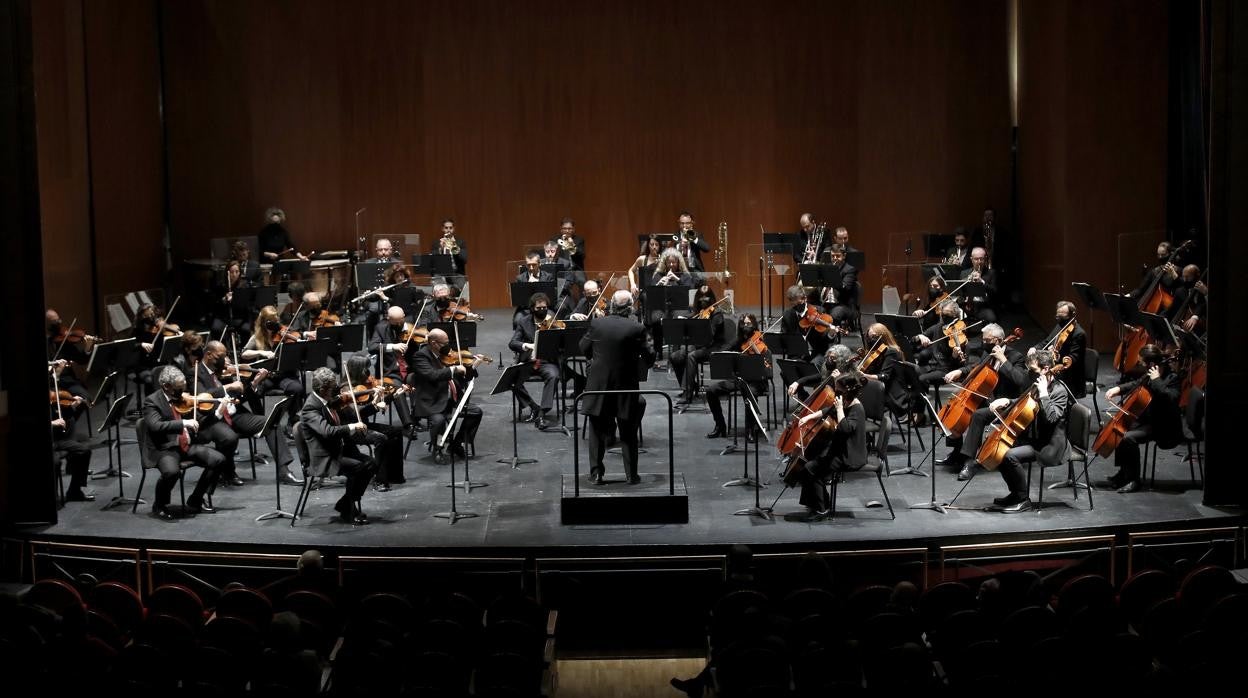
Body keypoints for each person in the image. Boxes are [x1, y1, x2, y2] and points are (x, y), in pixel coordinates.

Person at [933, 324, 1029, 481]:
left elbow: (1021, 381)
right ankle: (957, 453)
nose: (984, 343)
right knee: (959, 412)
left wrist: (1003, 360)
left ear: (998, 340)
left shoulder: (1015, 357)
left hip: (1006, 404)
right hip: (987, 398)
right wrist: (959, 371)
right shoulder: (988, 352)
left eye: (987, 340)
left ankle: (970, 462)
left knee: (977, 415)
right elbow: (976, 368)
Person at [580, 290, 655, 485]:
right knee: (628, 431)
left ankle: (596, 474)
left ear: (612, 305)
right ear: (630, 307)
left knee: (596, 431)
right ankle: (631, 475)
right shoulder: (637, 328)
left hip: (599, 386)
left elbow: (583, 348)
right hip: (625, 387)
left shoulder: (597, 323)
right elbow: (650, 357)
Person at [988, 349, 1072, 513]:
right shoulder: (1038, 383)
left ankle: (1023, 500)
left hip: (1050, 445)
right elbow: (1024, 402)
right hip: (1035, 437)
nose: (1030, 374)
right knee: (999, 452)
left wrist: (1044, 394)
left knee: (1010, 456)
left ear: (1046, 368)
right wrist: (1007, 401)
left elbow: (1052, 418)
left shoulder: (1059, 391)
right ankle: (1016, 493)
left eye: (1033, 370)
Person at [142, 365, 225, 521]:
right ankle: (159, 505)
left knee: (218, 459)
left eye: (183, 387)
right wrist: (183, 424)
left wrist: (217, 413)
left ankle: (195, 499)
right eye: (178, 389)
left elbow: (197, 419)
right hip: (164, 448)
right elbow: (155, 426)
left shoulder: (181, 399)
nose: (182, 392)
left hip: (184, 445)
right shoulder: (151, 401)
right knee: (172, 472)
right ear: (166, 386)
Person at [299, 367, 376, 524]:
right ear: (322, 390)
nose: (335, 390)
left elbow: (346, 397)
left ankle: (345, 504)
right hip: (325, 457)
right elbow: (327, 432)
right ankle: (347, 508)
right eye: (332, 388)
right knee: (359, 468)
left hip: (338, 450)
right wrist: (352, 426)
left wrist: (373, 392)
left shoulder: (326, 399)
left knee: (371, 463)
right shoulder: (310, 408)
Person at [787, 371, 868, 518]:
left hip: (850, 455)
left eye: (838, 390)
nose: (836, 392)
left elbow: (845, 429)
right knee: (808, 465)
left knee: (811, 469)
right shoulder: (845, 401)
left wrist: (839, 410)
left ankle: (821, 510)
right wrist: (809, 417)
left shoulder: (857, 408)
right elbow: (827, 411)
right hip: (839, 449)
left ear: (847, 390)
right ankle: (819, 503)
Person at [1103, 344, 1182, 493]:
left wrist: (1157, 380)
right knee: (1120, 429)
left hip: (1164, 426)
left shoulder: (1173, 378)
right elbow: (1136, 383)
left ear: (1151, 364)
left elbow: (1171, 399)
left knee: (1128, 438)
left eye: (1141, 362)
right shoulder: (1149, 373)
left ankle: (1134, 480)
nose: (1139, 364)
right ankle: (1123, 473)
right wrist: (1118, 389)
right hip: (1149, 420)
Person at [409, 328, 484, 464]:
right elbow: (432, 375)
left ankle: (456, 444)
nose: (448, 347)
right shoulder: (421, 356)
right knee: (438, 420)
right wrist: (453, 369)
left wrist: (472, 367)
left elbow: (463, 378)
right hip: (432, 400)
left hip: (451, 398)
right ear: (433, 343)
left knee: (475, 412)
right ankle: (438, 449)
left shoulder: (447, 356)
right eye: (444, 344)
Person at [342, 354, 405, 492]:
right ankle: (380, 480)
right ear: (357, 370)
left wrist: (389, 397)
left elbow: (367, 413)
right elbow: (355, 413)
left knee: (395, 432)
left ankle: (394, 475)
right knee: (380, 438)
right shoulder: (345, 389)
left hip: (364, 425)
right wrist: (375, 405)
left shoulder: (364, 385)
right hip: (352, 430)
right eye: (365, 369)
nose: (368, 373)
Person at [242, 305, 306, 437]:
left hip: (285, 375)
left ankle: (292, 420)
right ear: (264, 322)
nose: (275, 323)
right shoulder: (258, 337)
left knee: (297, 389)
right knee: (250, 391)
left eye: (276, 319)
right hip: (267, 377)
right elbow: (244, 353)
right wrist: (262, 352)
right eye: (271, 321)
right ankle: (260, 421)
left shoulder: (284, 332)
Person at [706, 315, 771, 439]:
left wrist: (757, 354)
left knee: (750, 393)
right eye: (743, 324)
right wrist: (719, 354)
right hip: (739, 379)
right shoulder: (739, 340)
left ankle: (750, 429)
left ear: (754, 326)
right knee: (711, 391)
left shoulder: (760, 341)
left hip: (756, 381)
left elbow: (767, 369)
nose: (745, 327)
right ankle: (720, 426)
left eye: (748, 324)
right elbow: (726, 349)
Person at [672, 287, 731, 410]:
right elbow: (691, 316)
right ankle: (692, 386)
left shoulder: (717, 314)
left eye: (706, 296)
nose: (703, 299)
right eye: (701, 297)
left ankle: (687, 393)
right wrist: (682, 320)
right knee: (675, 357)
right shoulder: (700, 311)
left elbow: (710, 337)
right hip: (700, 345)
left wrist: (704, 324)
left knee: (691, 356)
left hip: (714, 347)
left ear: (711, 298)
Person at [509, 293, 562, 430]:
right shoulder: (524, 321)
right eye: (539, 308)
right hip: (529, 361)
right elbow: (513, 343)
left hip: (547, 362)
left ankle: (542, 413)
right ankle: (533, 406)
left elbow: (562, 344)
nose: (542, 310)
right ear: (532, 308)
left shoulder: (552, 321)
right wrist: (526, 345)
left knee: (553, 375)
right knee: (510, 378)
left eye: (544, 307)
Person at [370, 306, 420, 439]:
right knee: (397, 388)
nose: (399, 324)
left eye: (401, 321)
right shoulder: (381, 328)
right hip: (391, 372)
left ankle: (417, 416)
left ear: (404, 316)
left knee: (417, 379)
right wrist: (392, 346)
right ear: (388, 319)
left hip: (409, 369)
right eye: (395, 322)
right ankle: (407, 425)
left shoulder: (410, 327)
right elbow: (372, 347)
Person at [49, 361, 95, 502]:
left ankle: (74, 491)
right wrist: (51, 423)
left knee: (84, 450)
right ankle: (53, 498)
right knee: (55, 461)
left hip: (58, 439)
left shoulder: (54, 393)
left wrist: (72, 406)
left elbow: (64, 410)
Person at [1031, 300, 1088, 398]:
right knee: (1032, 371)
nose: (1059, 320)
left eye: (1063, 317)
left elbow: (1073, 359)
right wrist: (1035, 348)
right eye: (1058, 317)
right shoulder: (1060, 325)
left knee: (1041, 373)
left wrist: (1056, 355)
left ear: (1072, 316)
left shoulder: (1079, 334)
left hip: (1070, 375)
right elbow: (1047, 341)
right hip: (1056, 367)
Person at [914, 300, 969, 389]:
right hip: (931, 366)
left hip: (946, 370)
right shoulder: (938, 327)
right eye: (942, 315)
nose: (943, 318)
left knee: (921, 379)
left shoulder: (960, 329)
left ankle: (922, 401)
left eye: (947, 315)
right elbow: (916, 338)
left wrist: (954, 356)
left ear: (955, 315)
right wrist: (920, 336)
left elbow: (959, 364)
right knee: (911, 372)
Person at [859, 323, 908, 417]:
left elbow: (884, 376)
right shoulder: (876, 352)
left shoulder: (891, 352)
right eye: (869, 337)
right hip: (878, 386)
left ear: (883, 336)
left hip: (889, 391)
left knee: (858, 395)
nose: (870, 340)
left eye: (874, 337)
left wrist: (864, 376)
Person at [780, 284, 824, 363]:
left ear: (805, 299)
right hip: (797, 354)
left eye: (799, 304)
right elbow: (784, 336)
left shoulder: (819, 311)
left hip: (816, 353)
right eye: (794, 305)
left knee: (812, 365)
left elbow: (825, 338)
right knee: (789, 368)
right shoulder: (787, 315)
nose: (797, 308)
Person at [820, 243, 858, 329]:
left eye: (838, 256)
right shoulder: (827, 267)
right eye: (832, 256)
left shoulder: (850, 269)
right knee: (812, 311)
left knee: (836, 313)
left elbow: (846, 288)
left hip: (843, 304)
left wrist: (833, 278)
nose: (835, 259)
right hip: (826, 303)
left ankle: (832, 336)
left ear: (844, 256)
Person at [957, 247, 998, 326]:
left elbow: (995, 291)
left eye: (981, 259)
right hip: (967, 305)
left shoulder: (991, 273)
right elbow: (960, 293)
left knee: (991, 318)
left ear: (985, 259)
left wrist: (982, 282)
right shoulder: (964, 273)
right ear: (971, 259)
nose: (979, 262)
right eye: (976, 259)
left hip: (983, 306)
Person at [1167, 264, 1207, 334]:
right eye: (1183, 277)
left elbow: (1201, 304)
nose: (1185, 280)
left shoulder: (1203, 289)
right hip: (1182, 326)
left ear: (1196, 276)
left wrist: (1194, 317)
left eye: (1187, 277)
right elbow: (1171, 309)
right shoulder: (1180, 290)